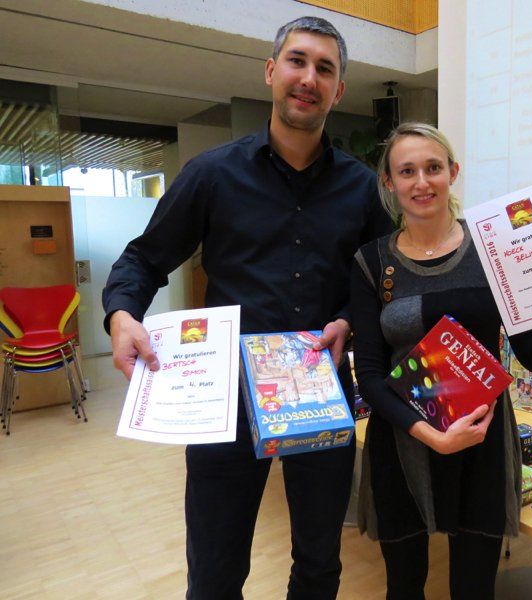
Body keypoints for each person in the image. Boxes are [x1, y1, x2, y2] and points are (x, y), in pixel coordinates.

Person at [102, 16, 392, 600]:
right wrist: (121, 316)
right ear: (270, 71)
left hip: (319, 394)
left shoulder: (363, 189)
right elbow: (144, 258)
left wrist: (348, 319)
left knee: (319, 564)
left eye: (325, 69)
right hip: (222, 400)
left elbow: (383, 281)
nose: (308, 78)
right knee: (214, 570)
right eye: (297, 61)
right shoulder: (212, 174)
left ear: (338, 90)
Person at [350, 122, 532, 599]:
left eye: (433, 167)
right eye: (407, 171)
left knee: (474, 589)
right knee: (403, 587)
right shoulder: (372, 261)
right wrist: (431, 435)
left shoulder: (493, 249)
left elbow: (531, 354)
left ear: (453, 172)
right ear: (388, 181)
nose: (422, 182)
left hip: (481, 437)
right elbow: (369, 375)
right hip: (404, 440)